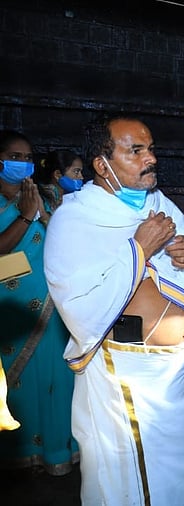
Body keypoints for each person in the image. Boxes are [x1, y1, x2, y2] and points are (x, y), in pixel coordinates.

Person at [44, 114, 184, 504]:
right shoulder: (75, 219)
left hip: (178, 373)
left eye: (151, 148)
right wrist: (139, 249)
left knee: (182, 480)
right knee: (130, 484)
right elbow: (76, 302)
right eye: (136, 150)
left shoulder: (159, 204)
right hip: (124, 375)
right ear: (101, 164)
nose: (151, 158)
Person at [0, 130, 78, 476]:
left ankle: (57, 450)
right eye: (14, 156)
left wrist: (43, 213)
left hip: (51, 303)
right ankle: (20, 453)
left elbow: (64, 238)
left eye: (27, 156)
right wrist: (26, 216)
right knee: (19, 384)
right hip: (12, 306)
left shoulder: (43, 197)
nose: (23, 163)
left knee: (57, 378)